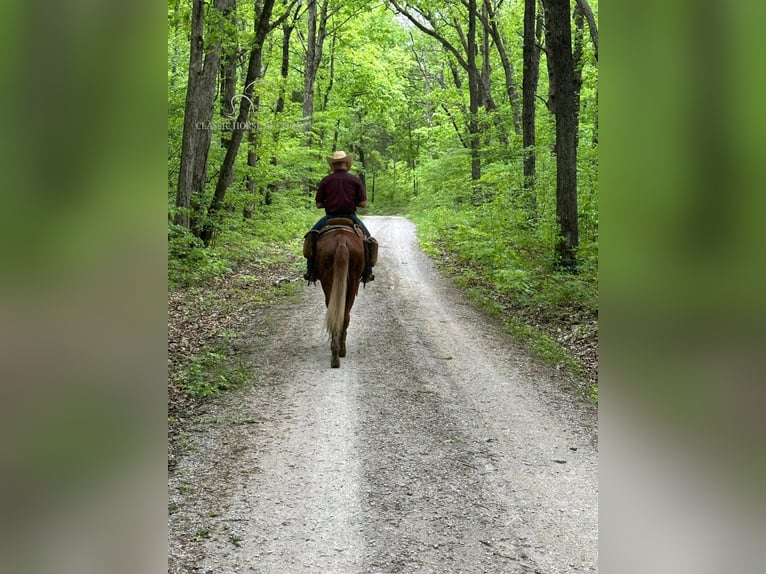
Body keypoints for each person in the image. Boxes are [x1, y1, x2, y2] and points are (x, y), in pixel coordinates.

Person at [303, 150, 377, 283]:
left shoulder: (326, 180)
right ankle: (368, 272)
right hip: (350, 217)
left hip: (330, 217)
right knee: (368, 240)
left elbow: (319, 204)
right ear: (347, 164)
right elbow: (363, 203)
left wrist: (331, 202)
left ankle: (310, 271)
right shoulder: (355, 180)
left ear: (333, 165)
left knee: (310, 237)